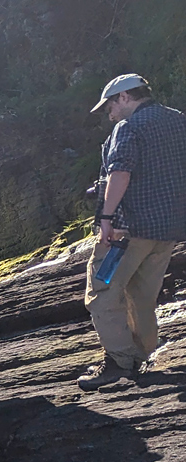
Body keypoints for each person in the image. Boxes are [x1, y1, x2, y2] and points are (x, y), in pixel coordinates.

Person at [79, 74, 186, 391]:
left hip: (128, 231)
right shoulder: (178, 120)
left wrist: (106, 217)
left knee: (102, 291)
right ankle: (141, 356)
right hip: (167, 230)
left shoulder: (128, 128)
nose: (109, 115)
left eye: (110, 106)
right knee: (143, 296)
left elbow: (120, 171)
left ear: (124, 97)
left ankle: (119, 363)